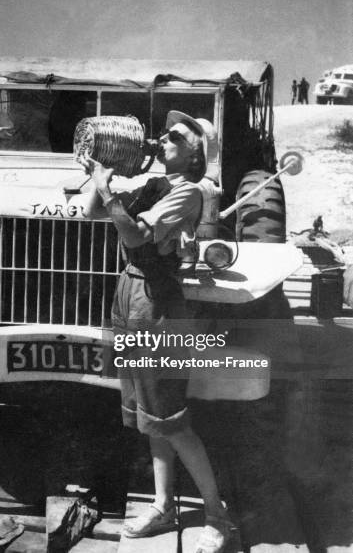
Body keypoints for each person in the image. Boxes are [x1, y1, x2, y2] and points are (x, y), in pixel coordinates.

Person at [80, 111, 234, 553]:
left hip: (158, 304)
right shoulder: (154, 185)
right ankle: (164, 504)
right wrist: (98, 176)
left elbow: (136, 238)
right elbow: (92, 213)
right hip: (129, 293)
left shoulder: (185, 192)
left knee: (172, 420)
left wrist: (111, 192)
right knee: (150, 417)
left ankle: (217, 516)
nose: (163, 137)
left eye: (176, 136)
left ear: (194, 156)